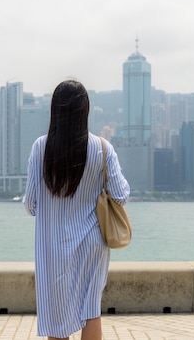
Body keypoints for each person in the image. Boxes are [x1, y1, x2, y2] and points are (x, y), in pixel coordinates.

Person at [23, 79, 130, 340]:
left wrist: (49, 210)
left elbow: (30, 203)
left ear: (55, 110)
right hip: (93, 243)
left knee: (57, 316)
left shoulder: (40, 147)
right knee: (90, 309)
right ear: (86, 110)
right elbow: (121, 195)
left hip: (52, 247)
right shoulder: (103, 148)